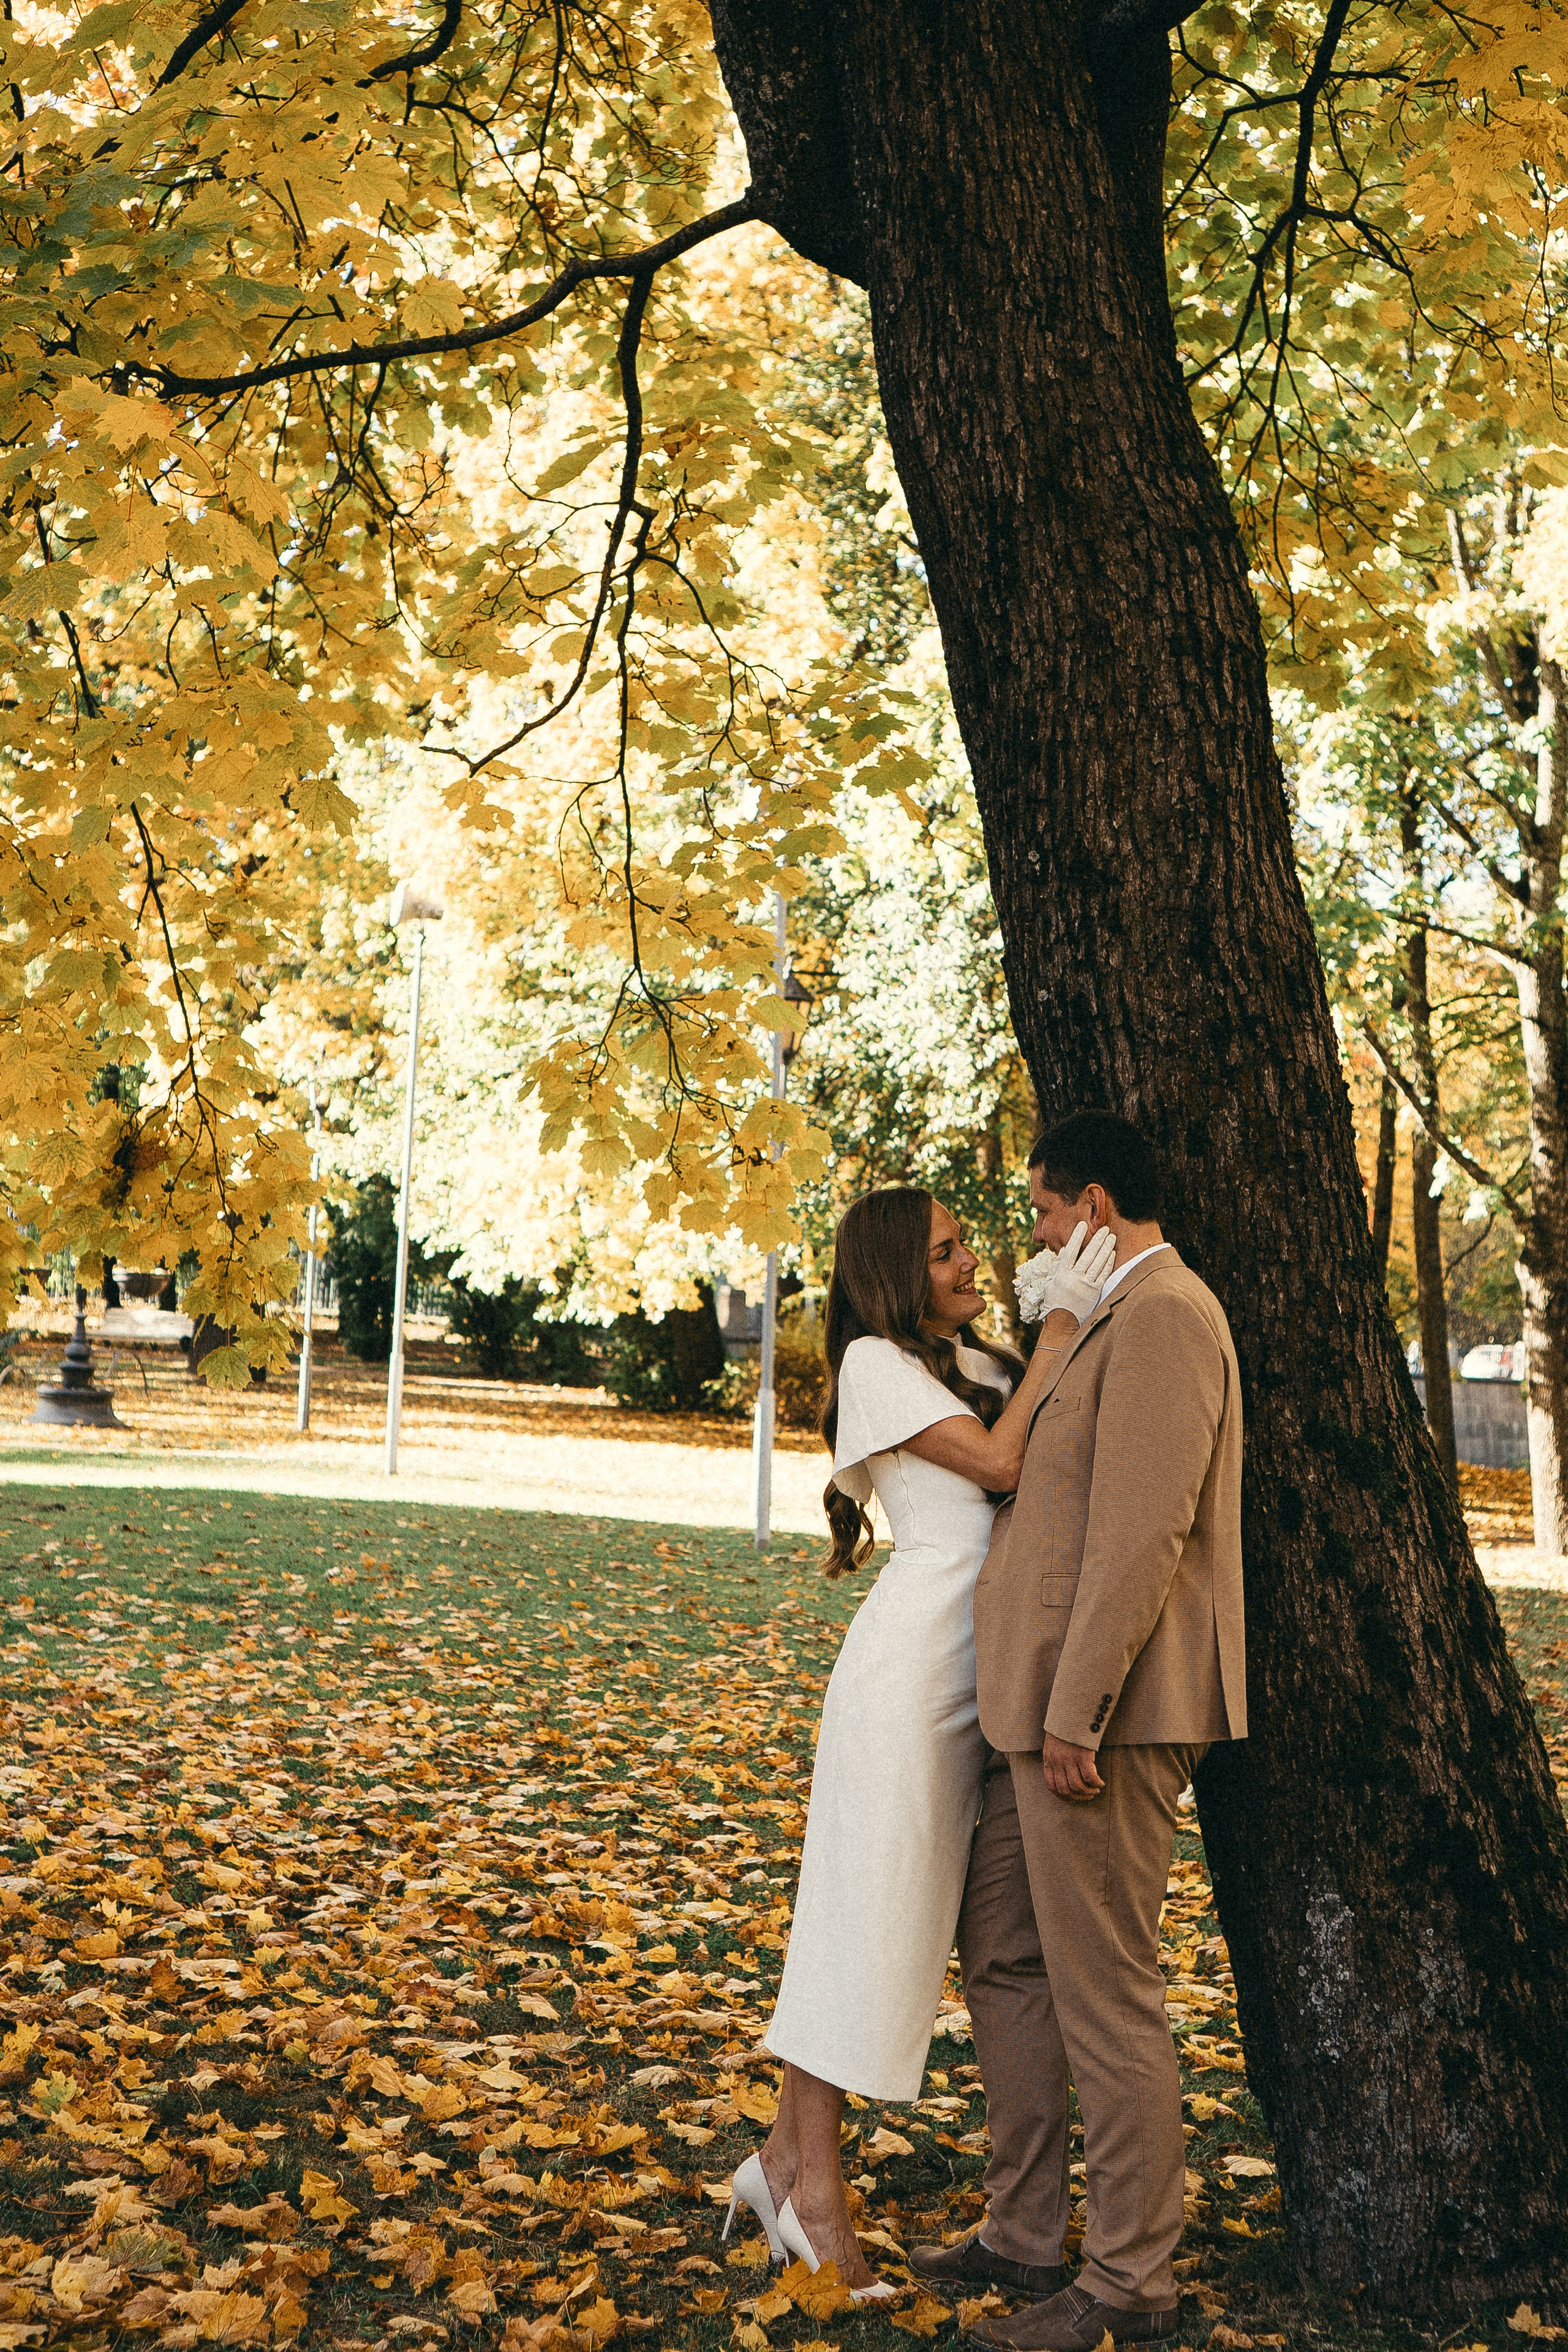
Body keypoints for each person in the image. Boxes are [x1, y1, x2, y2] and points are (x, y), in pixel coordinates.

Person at [722, 1185, 1115, 2297]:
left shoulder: (968, 1359)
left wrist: (1059, 1323)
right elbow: (1000, 1465)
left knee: (884, 1934)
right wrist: (1060, 1324)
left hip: (975, 1687)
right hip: (905, 1686)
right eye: (946, 1253)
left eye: (966, 1246)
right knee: (863, 1931)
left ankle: (782, 2163)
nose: (970, 1261)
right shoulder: (872, 1365)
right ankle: (813, 2195)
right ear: (899, 1272)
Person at [907, 1112, 1246, 2351]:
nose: (1036, 1238)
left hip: (1102, 1718)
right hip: (1031, 1709)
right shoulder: (1105, 1314)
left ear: (1092, 1204)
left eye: (1045, 1215)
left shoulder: (1164, 1315)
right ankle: (1024, 2231)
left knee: (1106, 1994)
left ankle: (1129, 2283)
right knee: (1003, 1957)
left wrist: (1077, 1711)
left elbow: (1143, 1535)